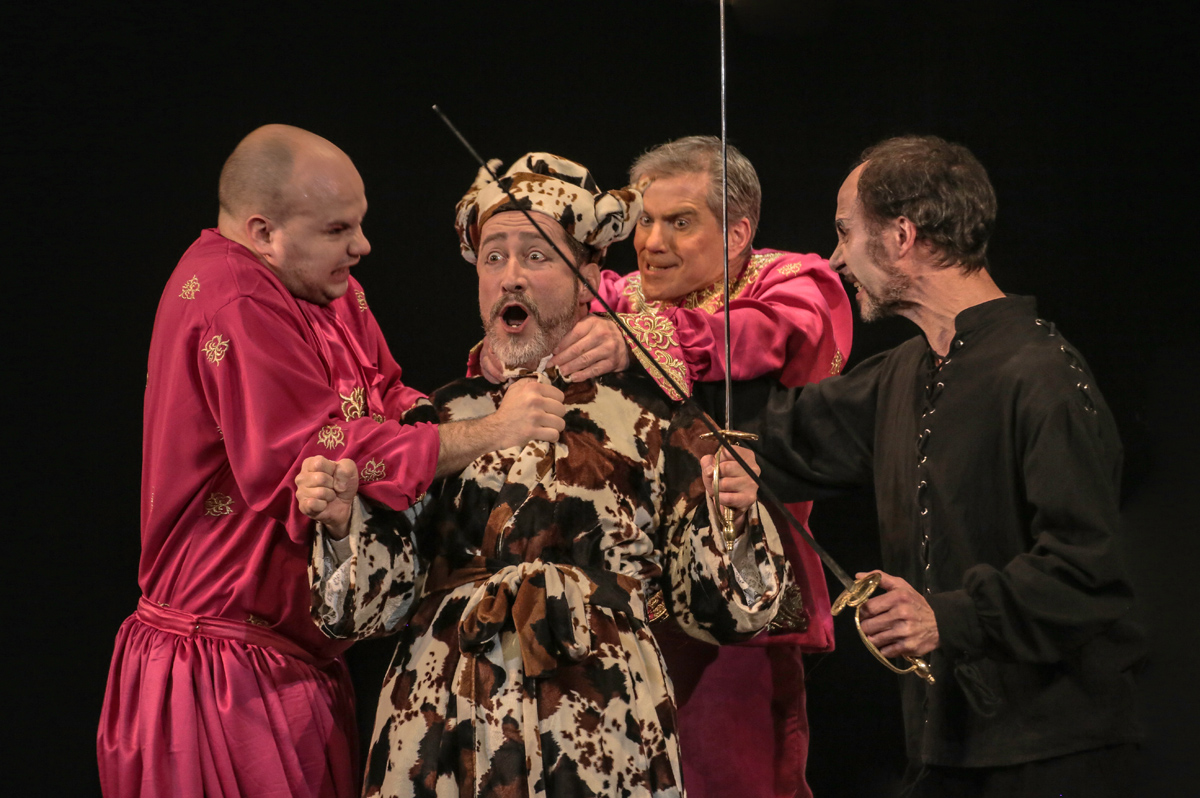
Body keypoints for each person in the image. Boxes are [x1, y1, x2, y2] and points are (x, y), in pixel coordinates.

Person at [295, 152, 789, 798]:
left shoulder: (653, 416)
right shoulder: (432, 421)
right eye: (494, 257)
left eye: (536, 256)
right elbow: (363, 610)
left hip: (604, 735)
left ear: (589, 279)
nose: (511, 277)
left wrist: (735, 513)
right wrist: (342, 526)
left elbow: (727, 612)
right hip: (445, 731)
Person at [97, 126, 565, 798]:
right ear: (263, 232)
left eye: (360, 222)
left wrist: (467, 401)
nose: (362, 245)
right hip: (223, 676)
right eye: (338, 229)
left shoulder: (327, 285)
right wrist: (493, 430)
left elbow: (387, 395)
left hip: (297, 663)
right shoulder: (238, 300)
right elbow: (321, 453)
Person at [741, 135, 1143, 797]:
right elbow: (777, 438)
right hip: (947, 751)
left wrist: (943, 616)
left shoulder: (1043, 374)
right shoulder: (906, 371)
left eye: (845, 231)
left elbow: (1087, 572)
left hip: (1057, 756)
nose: (836, 258)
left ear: (902, 236)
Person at [475, 135, 852, 798]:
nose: (652, 241)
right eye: (644, 220)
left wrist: (645, 339)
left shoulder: (794, 282)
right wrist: (511, 334)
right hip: (618, 620)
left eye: (680, 222)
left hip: (737, 610)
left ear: (737, 232)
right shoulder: (618, 295)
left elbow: (768, 335)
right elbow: (548, 305)